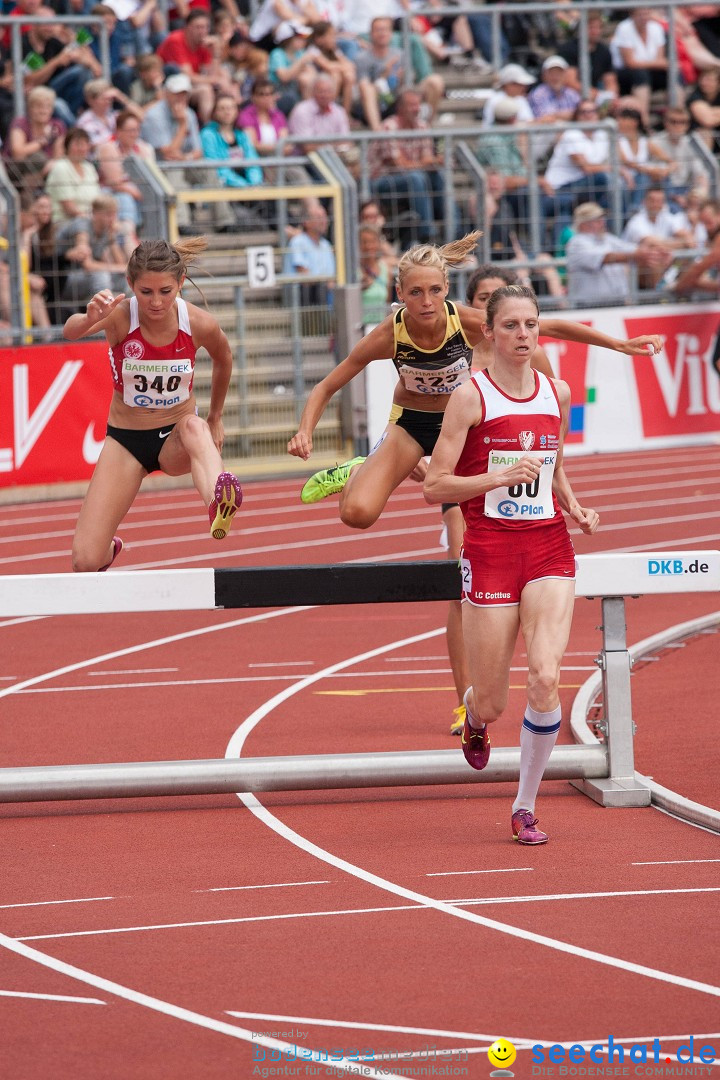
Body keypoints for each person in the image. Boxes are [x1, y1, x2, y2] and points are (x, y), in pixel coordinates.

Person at [422, 283, 600, 845]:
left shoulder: (557, 391)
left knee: (547, 676)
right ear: (489, 333)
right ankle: (474, 719)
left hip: (548, 548)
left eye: (530, 325)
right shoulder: (471, 397)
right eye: (511, 326)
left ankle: (524, 806)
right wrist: (495, 478)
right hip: (491, 551)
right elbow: (434, 485)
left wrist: (574, 505)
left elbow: (555, 465)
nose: (523, 335)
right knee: (494, 699)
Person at [62, 236, 243, 572]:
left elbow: (224, 357)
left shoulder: (198, 323)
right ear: (131, 284)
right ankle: (107, 548)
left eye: (165, 292)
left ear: (180, 284)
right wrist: (89, 318)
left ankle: (218, 501)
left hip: (177, 437)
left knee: (195, 426)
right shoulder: (119, 315)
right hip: (126, 441)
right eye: (146, 292)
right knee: (85, 561)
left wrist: (216, 416)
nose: (156, 302)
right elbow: (70, 332)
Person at [565, 201, 672, 305]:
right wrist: (640, 255)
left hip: (615, 303)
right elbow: (606, 257)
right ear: (583, 224)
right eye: (597, 220)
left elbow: (633, 249)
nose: (603, 223)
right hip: (589, 306)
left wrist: (656, 252)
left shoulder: (607, 239)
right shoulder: (577, 243)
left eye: (602, 219)